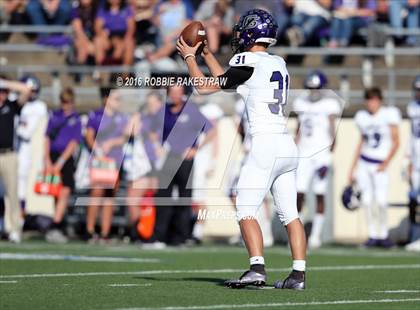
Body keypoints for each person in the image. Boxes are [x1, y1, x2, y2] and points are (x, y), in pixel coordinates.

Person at [176, 8, 307, 289]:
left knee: (245, 207)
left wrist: (189, 57)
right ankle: (298, 275)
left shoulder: (246, 60)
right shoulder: (277, 63)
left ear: (251, 31)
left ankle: (256, 269)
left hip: (264, 144)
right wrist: (208, 55)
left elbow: (204, 87)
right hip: (286, 143)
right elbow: (230, 82)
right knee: (290, 214)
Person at [148, 84, 215, 247]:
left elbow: (211, 130)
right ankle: (159, 237)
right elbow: (151, 130)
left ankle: (181, 237)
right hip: (168, 158)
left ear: (183, 93)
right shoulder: (164, 110)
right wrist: (156, 145)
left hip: (185, 160)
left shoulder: (191, 110)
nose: (174, 95)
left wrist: (194, 149)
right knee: (163, 196)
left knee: (184, 198)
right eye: (172, 92)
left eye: (178, 92)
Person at [293, 70, 341, 249]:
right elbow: (298, 128)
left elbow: (332, 128)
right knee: (299, 192)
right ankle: (298, 232)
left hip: (321, 152)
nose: (313, 91)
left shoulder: (329, 104)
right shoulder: (301, 102)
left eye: (316, 88)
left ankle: (316, 235)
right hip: (304, 152)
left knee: (320, 192)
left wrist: (330, 152)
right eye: (310, 88)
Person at [348, 87, 400, 248]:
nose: (371, 103)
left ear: (380, 100)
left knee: (382, 201)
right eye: (368, 100)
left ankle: (383, 235)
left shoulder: (389, 114)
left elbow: (396, 141)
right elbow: (361, 141)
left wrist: (386, 163)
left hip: (379, 164)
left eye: (374, 99)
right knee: (367, 200)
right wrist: (352, 167)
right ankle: (372, 235)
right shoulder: (362, 117)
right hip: (364, 162)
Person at [85, 88, 128, 243]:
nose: (118, 102)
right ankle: (90, 231)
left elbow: (124, 137)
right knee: (96, 194)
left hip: (115, 161)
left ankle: (105, 232)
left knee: (110, 196)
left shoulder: (121, 117)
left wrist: (112, 143)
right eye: (115, 98)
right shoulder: (96, 115)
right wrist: (97, 148)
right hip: (99, 161)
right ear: (106, 99)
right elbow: (89, 136)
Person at [44, 87, 82, 243]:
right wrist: (47, 160)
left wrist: (60, 163)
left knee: (65, 192)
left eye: (67, 102)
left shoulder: (76, 119)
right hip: (52, 156)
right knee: (55, 193)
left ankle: (55, 225)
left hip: (65, 159)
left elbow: (73, 143)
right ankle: (58, 224)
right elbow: (46, 138)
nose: (65, 105)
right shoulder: (54, 116)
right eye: (63, 101)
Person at [0, 75, 31, 243]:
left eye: (4, 91)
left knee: (12, 194)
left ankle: (14, 229)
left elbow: (26, 89)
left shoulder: (11, 106)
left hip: (9, 155)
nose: (2, 94)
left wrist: (4, 82)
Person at [190, 100, 223, 244]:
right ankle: (188, 229)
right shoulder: (190, 107)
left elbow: (214, 135)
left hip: (202, 158)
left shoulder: (211, 108)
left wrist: (214, 161)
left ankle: (197, 232)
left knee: (198, 197)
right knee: (189, 196)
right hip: (189, 158)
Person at [17, 75, 47, 217]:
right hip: (13, 148)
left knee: (22, 184)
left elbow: (26, 132)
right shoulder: (15, 103)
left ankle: (20, 220)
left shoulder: (39, 107)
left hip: (27, 150)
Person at [94, 0, 135, 65]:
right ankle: (101, 70)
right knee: (98, 41)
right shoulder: (103, 10)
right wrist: (103, 37)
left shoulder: (127, 9)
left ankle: (124, 73)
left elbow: (131, 28)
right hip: (108, 35)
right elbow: (97, 27)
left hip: (122, 35)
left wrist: (126, 39)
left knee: (129, 43)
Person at [405, 75, 420, 252]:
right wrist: (407, 159)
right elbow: (411, 135)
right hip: (416, 161)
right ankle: (415, 235)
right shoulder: (412, 107)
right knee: (414, 199)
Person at [71, 0, 99, 65]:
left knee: (99, 43)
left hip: (94, 39)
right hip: (82, 39)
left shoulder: (97, 9)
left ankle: (100, 71)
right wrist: (89, 45)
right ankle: (81, 71)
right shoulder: (75, 9)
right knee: (81, 46)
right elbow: (79, 32)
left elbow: (99, 30)